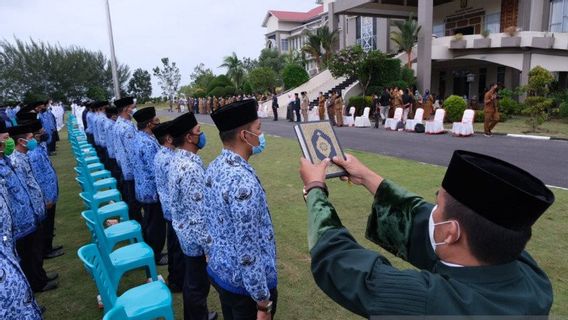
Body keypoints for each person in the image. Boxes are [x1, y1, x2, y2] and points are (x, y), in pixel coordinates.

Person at [299, 150, 554, 316]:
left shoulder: (430, 302)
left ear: (451, 233)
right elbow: (422, 217)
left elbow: (338, 262)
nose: (431, 211)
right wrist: (366, 176)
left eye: (438, 206)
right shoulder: (533, 279)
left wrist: (314, 189)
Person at [206, 100, 277, 320]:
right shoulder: (242, 182)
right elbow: (248, 250)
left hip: (223, 274)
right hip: (245, 288)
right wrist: (262, 302)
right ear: (244, 136)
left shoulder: (215, 166)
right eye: (258, 129)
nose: (261, 135)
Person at [167, 112, 217, 320]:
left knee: (193, 282)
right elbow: (198, 214)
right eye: (198, 131)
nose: (202, 134)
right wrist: (208, 247)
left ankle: (197, 315)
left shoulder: (179, 158)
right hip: (194, 239)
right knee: (197, 285)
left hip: (185, 233)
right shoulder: (189, 168)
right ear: (189, 137)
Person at [7, 122, 59, 293]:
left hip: (35, 210)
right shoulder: (16, 161)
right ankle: (37, 283)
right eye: (30, 138)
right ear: (21, 141)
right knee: (30, 253)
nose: (33, 141)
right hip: (26, 215)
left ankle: (41, 276)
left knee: (36, 250)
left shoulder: (25, 157)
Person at [0, 133, 43, 319]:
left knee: (28, 257)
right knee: (27, 257)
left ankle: (31, 299)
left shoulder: (7, 161)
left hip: (16, 226)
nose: (6, 140)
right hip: (16, 227)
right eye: (4, 137)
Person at [131, 107, 167, 265]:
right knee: (155, 224)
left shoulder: (139, 137)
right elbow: (155, 169)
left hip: (142, 188)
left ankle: (150, 250)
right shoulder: (146, 142)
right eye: (155, 120)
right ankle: (155, 254)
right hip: (151, 190)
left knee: (149, 221)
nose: (158, 123)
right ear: (149, 124)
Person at [153, 121, 184, 292]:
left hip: (168, 209)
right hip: (174, 211)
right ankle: (177, 281)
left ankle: (174, 278)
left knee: (173, 247)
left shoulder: (162, 154)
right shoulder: (169, 159)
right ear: (168, 138)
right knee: (177, 250)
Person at [26, 118, 63, 260]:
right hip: (46, 196)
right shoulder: (34, 153)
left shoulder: (39, 147)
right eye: (42, 131)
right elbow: (38, 178)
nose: (45, 132)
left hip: (50, 192)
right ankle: (47, 250)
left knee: (50, 223)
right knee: (46, 224)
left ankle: (49, 246)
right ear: (36, 135)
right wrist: (46, 197)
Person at [113, 97, 142, 223]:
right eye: (132, 107)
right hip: (132, 171)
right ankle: (137, 228)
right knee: (134, 204)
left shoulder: (118, 123)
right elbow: (132, 153)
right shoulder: (127, 128)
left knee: (131, 200)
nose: (134, 109)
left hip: (124, 168)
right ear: (126, 109)